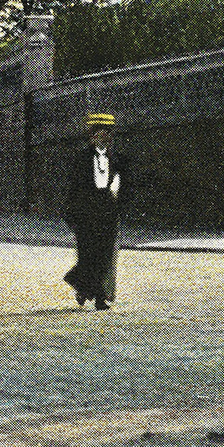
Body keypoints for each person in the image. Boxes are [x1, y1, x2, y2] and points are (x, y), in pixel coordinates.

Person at [64, 111, 124, 308]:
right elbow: (73, 187)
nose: (104, 137)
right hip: (86, 212)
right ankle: (82, 286)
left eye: (108, 133)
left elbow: (124, 183)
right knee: (88, 254)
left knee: (105, 254)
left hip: (108, 210)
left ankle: (98, 297)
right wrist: (72, 214)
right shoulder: (81, 158)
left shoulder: (116, 159)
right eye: (100, 133)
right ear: (92, 136)